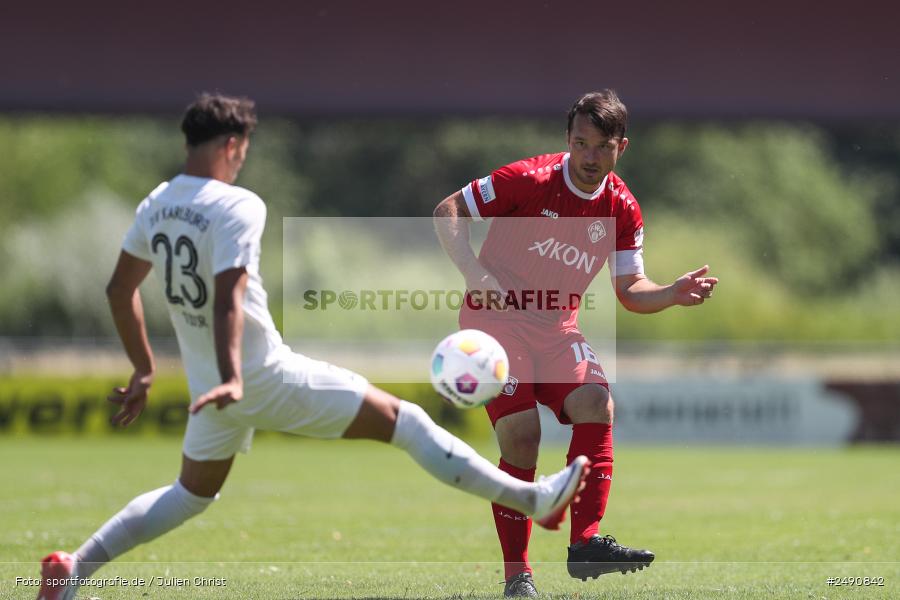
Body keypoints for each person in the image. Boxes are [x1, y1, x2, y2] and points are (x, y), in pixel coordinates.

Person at [35, 93, 591, 600]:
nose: (242, 160)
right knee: (408, 422)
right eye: (244, 150)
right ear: (232, 145)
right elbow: (229, 296)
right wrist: (236, 375)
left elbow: (119, 288)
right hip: (257, 375)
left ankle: (74, 569)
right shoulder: (238, 205)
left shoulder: (157, 202)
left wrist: (144, 370)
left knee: (190, 494)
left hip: (210, 383)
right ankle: (533, 500)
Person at [434, 89, 719, 597]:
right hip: (495, 321)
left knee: (596, 402)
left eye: (602, 146)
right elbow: (448, 210)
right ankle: (517, 577)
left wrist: (672, 294)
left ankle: (585, 544)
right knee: (522, 437)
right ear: (568, 140)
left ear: (621, 148)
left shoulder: (623, 209)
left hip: (556, 327)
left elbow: (630, 291)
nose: (590, 157)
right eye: (581, 143)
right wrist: (477, 276)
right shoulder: (529, 179)